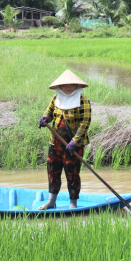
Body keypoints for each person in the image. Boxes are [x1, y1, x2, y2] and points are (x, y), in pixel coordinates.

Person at [37, 70, 91, 210]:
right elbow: (49, 112)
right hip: (55, 144)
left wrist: (75, 141)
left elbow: (85, 122)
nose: (68, 87)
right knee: (52, 171)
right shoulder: (56, 98)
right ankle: (51, 201)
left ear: (76, 85)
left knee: (72, 173)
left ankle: (73, 202)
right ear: (60, 86)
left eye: (71, 84)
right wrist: (45, 119)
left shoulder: (82, 100)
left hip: (73, 146)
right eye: (65, 84)